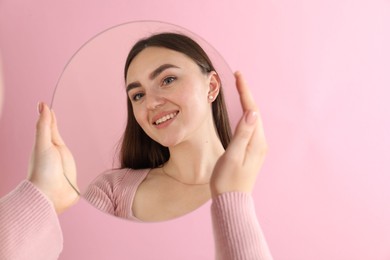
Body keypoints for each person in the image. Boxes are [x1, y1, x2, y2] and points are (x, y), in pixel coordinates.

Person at [0, 33, 273, 259]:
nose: (151, 103)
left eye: (167, 80)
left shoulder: (262, 195)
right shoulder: (112, 190)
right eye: (138, 95)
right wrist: (42, 193)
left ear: (211, 86)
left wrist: (233, 197)